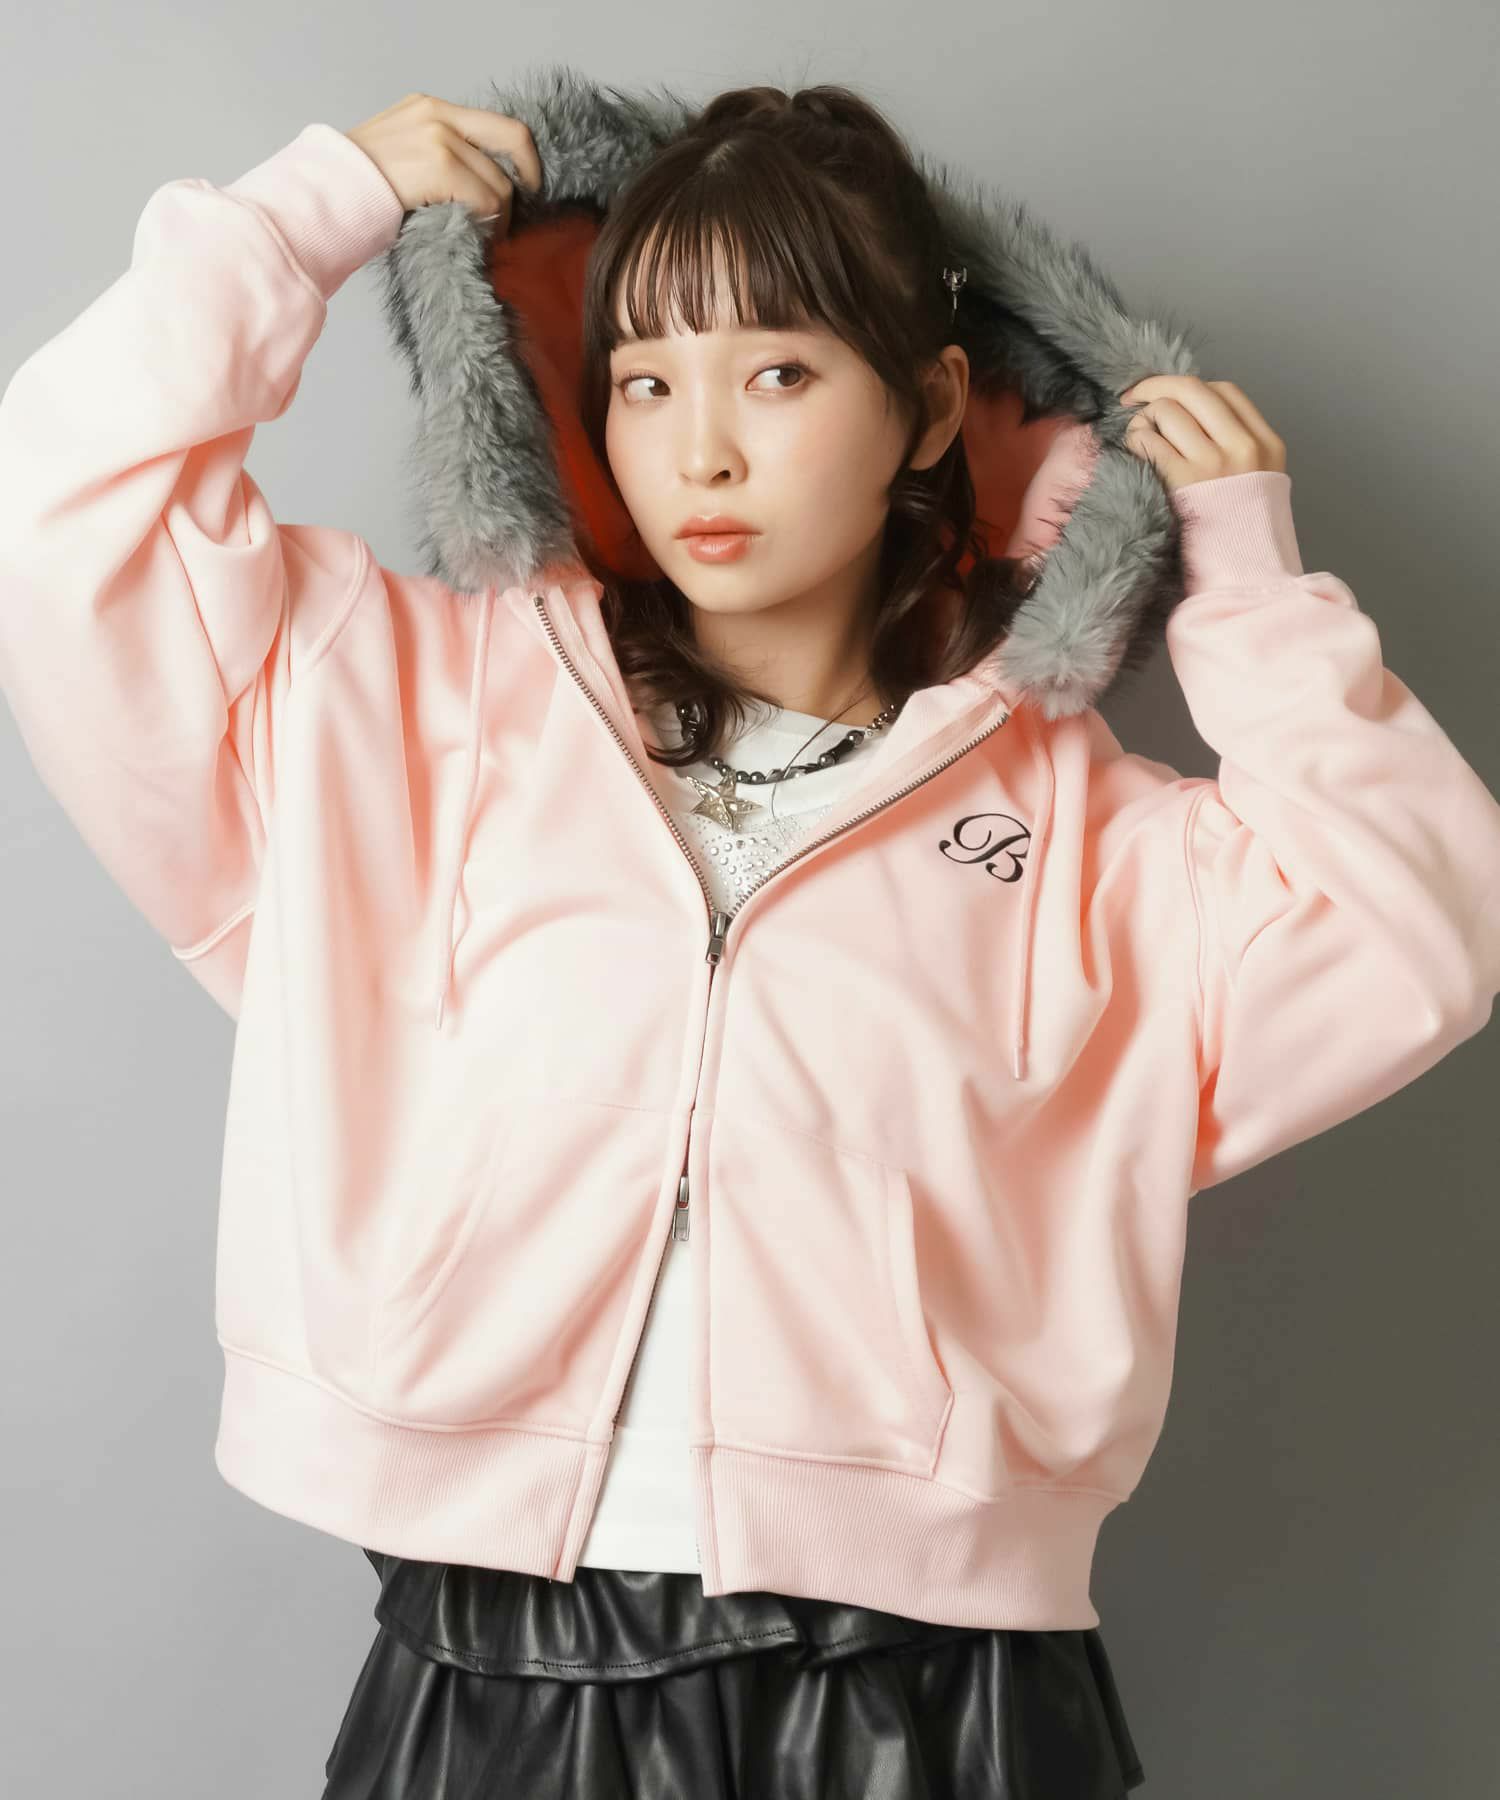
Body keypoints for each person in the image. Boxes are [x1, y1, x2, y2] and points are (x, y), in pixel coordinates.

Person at [2, 66, 1496, 1800]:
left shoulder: (1085, 835)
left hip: (933, 1690)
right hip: (495, 1656)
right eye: (646, 381)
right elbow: (69, 500)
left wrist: (1251, 583)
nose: (699, 451)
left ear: (931, 410)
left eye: (777, 374)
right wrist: (299, 214)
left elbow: (1420, 919)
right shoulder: (400, 709)